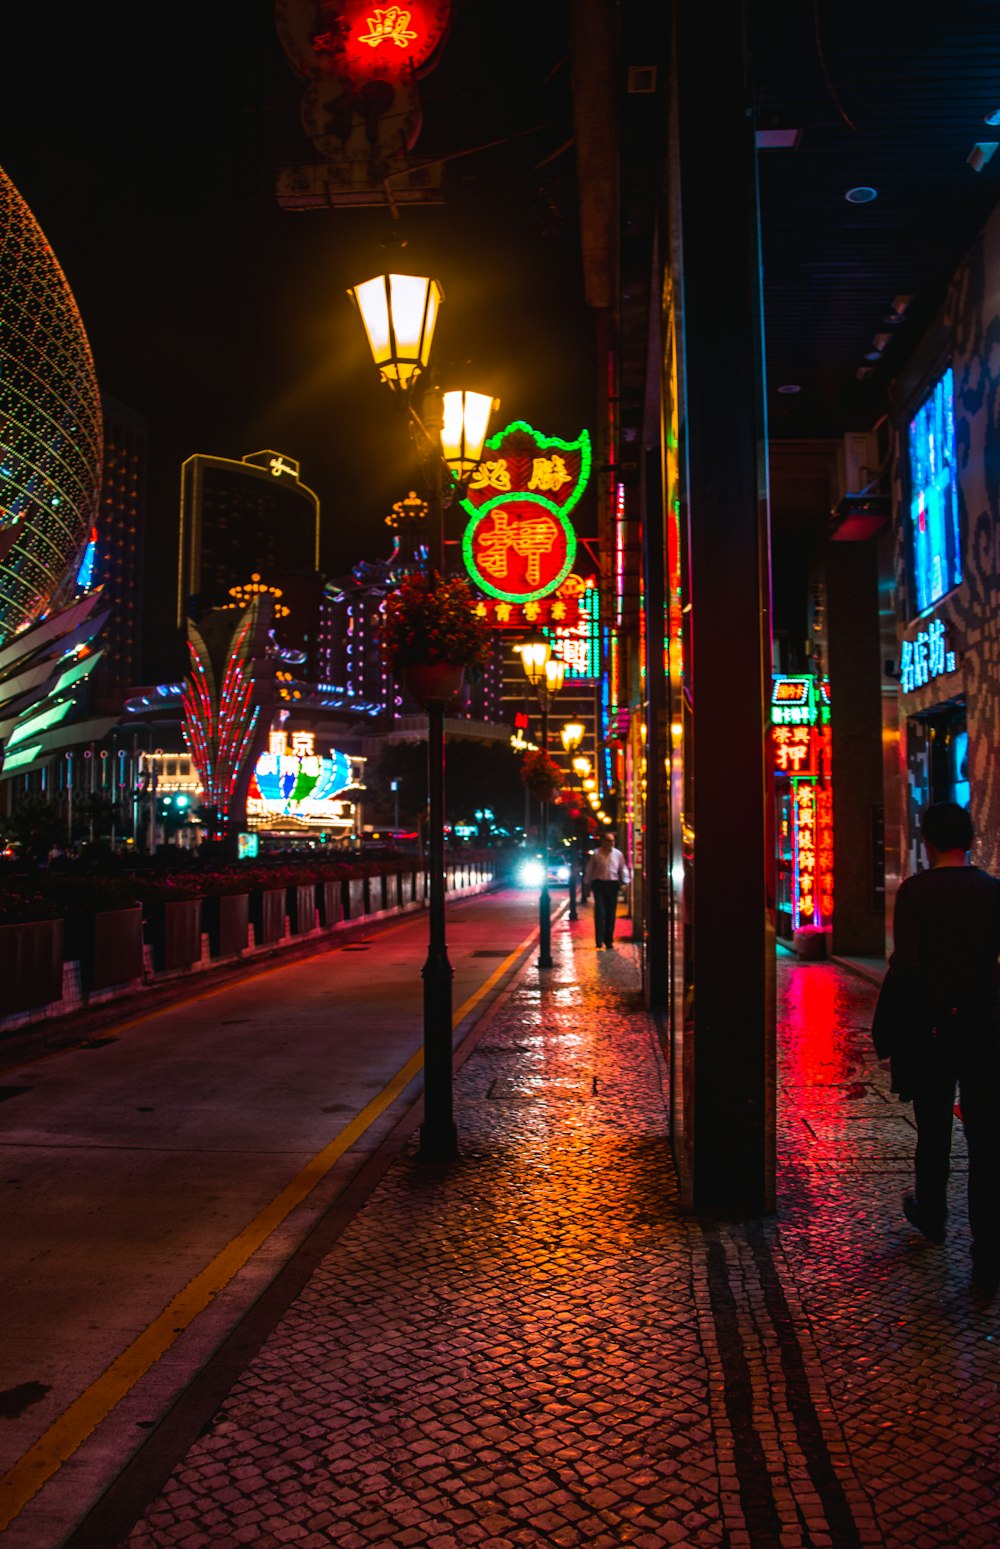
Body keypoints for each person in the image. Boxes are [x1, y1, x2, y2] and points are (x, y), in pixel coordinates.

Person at [877, 800, 1000, 1295]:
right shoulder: (993, 891)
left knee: (932, 1128)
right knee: (987, 1143)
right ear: (969, 838)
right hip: (985, 1027)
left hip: (930, 1029)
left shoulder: (916, 892)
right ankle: (988, 1258)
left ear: (926, 841)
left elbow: (905, 966)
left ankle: (931, 1211)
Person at [584, 831, 630, 949]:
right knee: (600, 912)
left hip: (612, 885)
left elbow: (622, 868)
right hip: (599, 885)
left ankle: (608, 939)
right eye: (609, 841)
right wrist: (587, 882)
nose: (611, 843)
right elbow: (590, 868)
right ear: (603, 842)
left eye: (613, 841)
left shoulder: (618, 854)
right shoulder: (596, 853)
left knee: (611, 913)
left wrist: (625, 882)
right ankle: (599, 940)